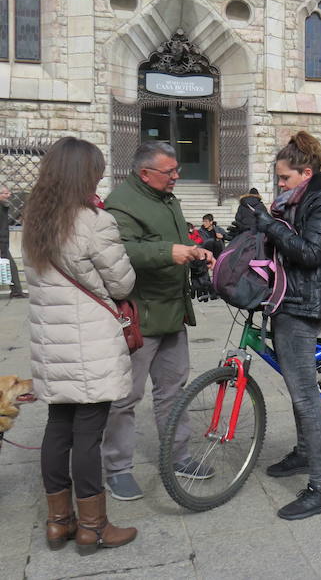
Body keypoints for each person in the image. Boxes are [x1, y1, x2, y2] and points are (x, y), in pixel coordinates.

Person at [22, 138, 137, 554]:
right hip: (89, 342)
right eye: (97, 170)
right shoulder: (93, 221)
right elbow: (122, 283)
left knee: (58, 429)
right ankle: (94, 527)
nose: (101, 176)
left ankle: (59, 522)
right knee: (89, 434)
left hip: (52, 342)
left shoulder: (35, 219)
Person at [251, 131, 321, 521]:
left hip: (303, 306)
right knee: (298, 387)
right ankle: (303, 452)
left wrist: (269, 224)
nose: (279, 185)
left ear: (305, 173)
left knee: (304, 396)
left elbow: (311, 253)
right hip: (287, 300)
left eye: (284, 178)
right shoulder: (298, 201)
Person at [101, 141, 215, 501]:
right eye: (171, 172)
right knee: (124, 398)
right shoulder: (121, 203)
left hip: (172, 312)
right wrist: (169, 251)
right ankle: (117, 468)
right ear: (145, 173)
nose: (177, 177)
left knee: (173, 390)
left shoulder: (167, 198)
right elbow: (120, 250)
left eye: (178, 170)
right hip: (138, 317)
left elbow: (175, 243)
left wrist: (195, 250)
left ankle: (178, 455)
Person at [0, 184, 25, 298]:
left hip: (3, 243)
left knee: (11, 266)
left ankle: (16, 291)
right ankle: (16, 291)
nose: (9, 195)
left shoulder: (4, 206)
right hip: (1, 243)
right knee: (10, 266)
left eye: (9, 193)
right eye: (5, 193)